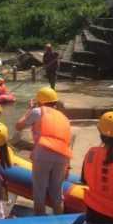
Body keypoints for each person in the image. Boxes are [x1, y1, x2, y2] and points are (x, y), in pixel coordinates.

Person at [15, 87, 72, 215]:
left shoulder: (37, 111)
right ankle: (59, 223)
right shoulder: (63, 117)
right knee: (57, 193)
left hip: (43, 154)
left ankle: (40, 223)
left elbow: (18, 126)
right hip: (63, 156)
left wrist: (29, 110)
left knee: (39, 193)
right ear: (54, 102)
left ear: (40, 101)